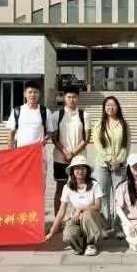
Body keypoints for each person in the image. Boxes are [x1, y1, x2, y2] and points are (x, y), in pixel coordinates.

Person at [45, 155, 106, 256]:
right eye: (77, 168)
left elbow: (98, 206)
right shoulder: (67, 187)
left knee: (87, 213)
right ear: (72, 170)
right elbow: (61, 211)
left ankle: (91, 243)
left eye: (83, 167)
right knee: (67, 235)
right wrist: (51, 233)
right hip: (76, 218)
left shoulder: (95, 184)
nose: (80, 171)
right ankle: (81, 244)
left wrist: (80, 209)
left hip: (92, 218)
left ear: (87, 170)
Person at [92, 95, 130, 239]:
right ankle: (105, 225)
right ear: (104, 108)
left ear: (118, 107)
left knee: (119, 195)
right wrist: (109, 159)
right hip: (102, 165)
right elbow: (97, 145)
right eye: (108, 105)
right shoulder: (98, 124)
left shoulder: (124, 124)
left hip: (120, 165)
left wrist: (119, 160)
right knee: (102, 194)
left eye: (113, 105)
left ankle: (119, 225)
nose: (110, 107)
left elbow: (126, 145)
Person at [52, 85, 91, 218]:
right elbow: (54, 138)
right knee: (60, 188)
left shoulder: (84, 115)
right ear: (64, 98)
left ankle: (79, 219)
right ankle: (58, 220)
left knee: (80, 188)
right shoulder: (56, 115)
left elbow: (86, 138)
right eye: (69, 97)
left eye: (74, 97)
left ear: (78, 98)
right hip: (60, 158)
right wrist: (65, 152)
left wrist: (73, 153)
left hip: (79, 158)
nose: (71, 99)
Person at [6, 80, 55, 180]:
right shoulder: (17, 111)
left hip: (38, 155)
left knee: (39, 182)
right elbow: (11, 133)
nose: (32, 95)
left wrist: (44, 140)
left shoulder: (45, 111)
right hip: (21, 155)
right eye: (30, 92)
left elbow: (50, 131)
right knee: (22, 181)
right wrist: (10, 153)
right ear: (25, 94)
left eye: (35, 92)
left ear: (39, 94)